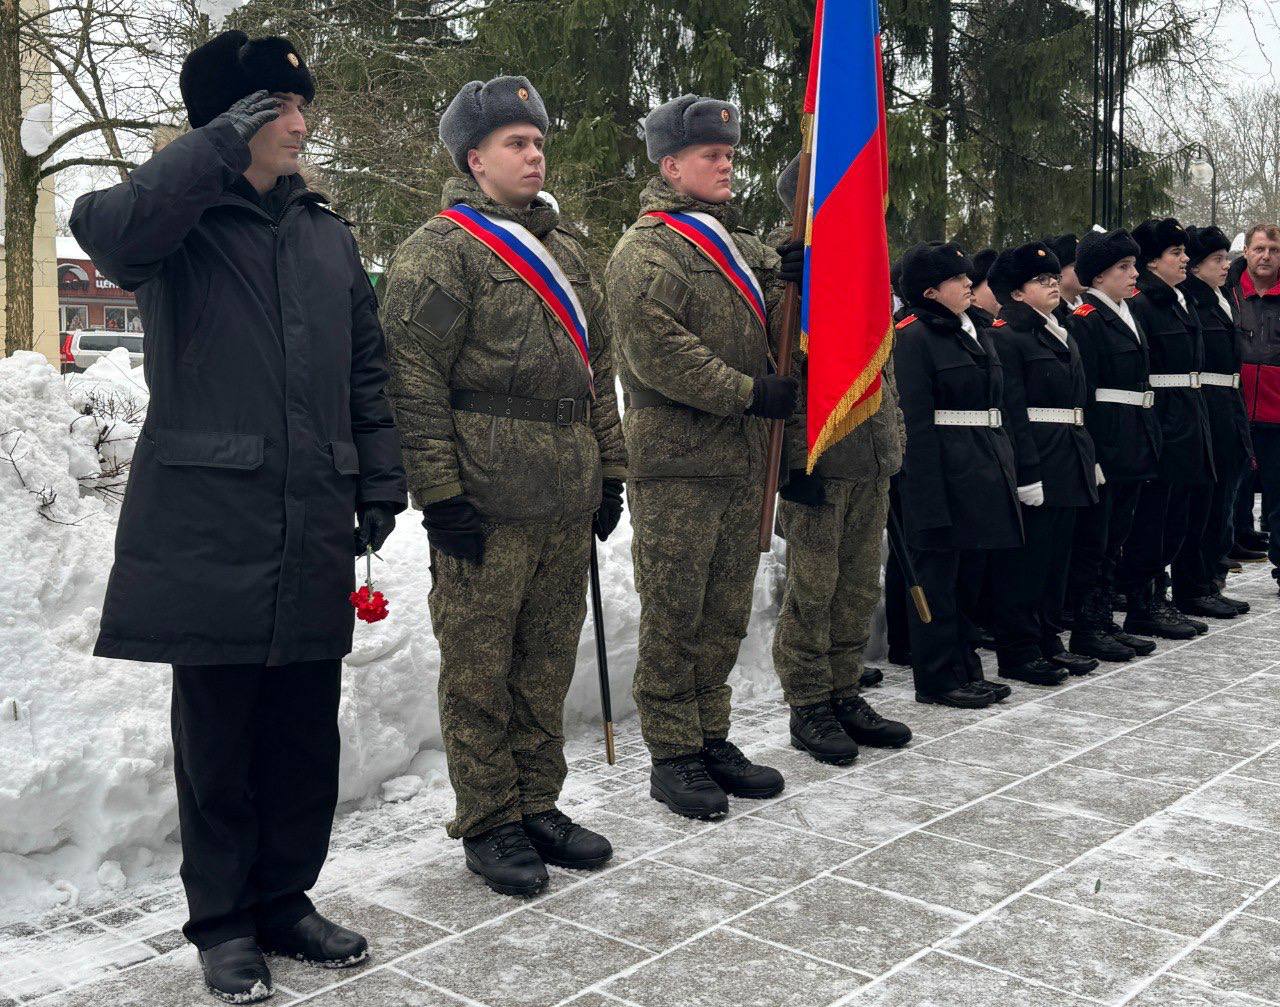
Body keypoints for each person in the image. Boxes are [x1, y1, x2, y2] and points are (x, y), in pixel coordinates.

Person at [70, 31, 407, 1003]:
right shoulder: (176, 225)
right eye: (277, 108)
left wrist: (378, 480)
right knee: (217, 738)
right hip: (209, 524)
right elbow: (108, 230)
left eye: (302, 107)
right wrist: (213, 146)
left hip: (311, 518)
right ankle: (222, 923)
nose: (300, 124)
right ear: (230, 120)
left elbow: (366, 370)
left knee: (304, 733)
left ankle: (285, 899)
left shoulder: (325, 233)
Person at [380, 76, 627, 898]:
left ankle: (537, 804)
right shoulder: (442, 252)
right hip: (485, 501)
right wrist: (439, 494)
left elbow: (597, 372)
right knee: (480, 672)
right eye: (515, 143)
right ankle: (489, 819)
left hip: (565, 494)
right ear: (473, 159)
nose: (534, 155)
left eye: (538, 141)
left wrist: (611, 471)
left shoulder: (570, 253)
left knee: (545, 664)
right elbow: (414, 380)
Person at [604, 94, 798, 820]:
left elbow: (779, 328)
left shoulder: (742, 245)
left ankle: (711, 734)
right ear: (670, 165)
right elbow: (657, 351)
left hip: (742, 459)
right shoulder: (646, 249)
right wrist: (748, 392)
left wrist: (794, 277)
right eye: (711, 155)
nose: (726, 165)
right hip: (678, 463)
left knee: (724, 611)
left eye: (730, 154)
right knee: (676, 611)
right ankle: (673, 752)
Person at [768, 155, 912, 766]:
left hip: (869, 457)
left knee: (856, 587)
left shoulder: (865, 270)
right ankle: (808, 704)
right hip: (820, 462)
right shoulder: (783, 268)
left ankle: (844, 690)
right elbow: (780, 366)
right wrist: (794, 462)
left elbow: (884, 371)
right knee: (813, 590)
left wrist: (892, 443)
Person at [893, 242, 1022, 709]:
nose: (970, 283)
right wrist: (925, 496)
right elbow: (916, 424)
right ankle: (937, 677)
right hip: (942, 473)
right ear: (930, 291)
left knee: (969, 579)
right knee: (937, 580)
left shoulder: (976, 330)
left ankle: (965, 667)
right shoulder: (912, 337)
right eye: (957, 278)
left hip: (981, 468)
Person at [985, 242, 1100, 685]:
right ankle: (1019, 649)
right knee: (1027, 563)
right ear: (1016, 293)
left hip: (1068, 455)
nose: (1053, 284)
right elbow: (1013, 411)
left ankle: (1049, 639)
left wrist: (1089, 457)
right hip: (1038, 457)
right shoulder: (1007, 336)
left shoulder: (1061, 330)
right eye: (1041, 280)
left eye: (1055, 277)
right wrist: (1027, 473)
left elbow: (1077, 402)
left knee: (1057, 559)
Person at [1116, 219, 1216, 637]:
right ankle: (1144, 601)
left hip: (1188, 415)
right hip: (1163, 419)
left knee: (1179, 515)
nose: (1185, 259)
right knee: (1153, 519)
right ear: (1153, 262)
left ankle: (1161, 595)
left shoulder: (1179, 299)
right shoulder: (1142, 303)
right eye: (1176, 253)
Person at [1064, 229, 1159, 662]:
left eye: (1133, 265)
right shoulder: (1086, 320)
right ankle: (1087, 626)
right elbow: (1083, 393)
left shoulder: (1125, 313)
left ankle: (1104, 621)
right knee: (1095, 540)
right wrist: (1093, 453)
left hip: (1132, 438)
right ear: (1098, 276)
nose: (1133, 273)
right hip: (1107, 439)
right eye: (1123, 267)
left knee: (1117, 534)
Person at [1180, 226, 1251, 614]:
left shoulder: (1223, 298)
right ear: (1196, 266)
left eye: (1226, 258)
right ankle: (1196, 583)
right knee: (1205, 505)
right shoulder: (1192, 301)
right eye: (1216, 260)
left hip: (1229, 403)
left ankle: (1211, 577)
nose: (1226, 266)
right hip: (1208, 403)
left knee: (1225, 498)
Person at [1232, 223, 1280, 585]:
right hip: (1234, 409)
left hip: (1276, 413)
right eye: (1260, 249)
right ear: (1246, 250)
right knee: (1232, 491)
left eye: (1274, 250)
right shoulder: (1227, 292)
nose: (1266, 256)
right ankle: (1224, 554)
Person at [1047, 234, 1084, 321]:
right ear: (1056, 273)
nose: (1084, 269)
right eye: (1075, 265)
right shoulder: (1050, 313)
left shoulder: (1091, 305)